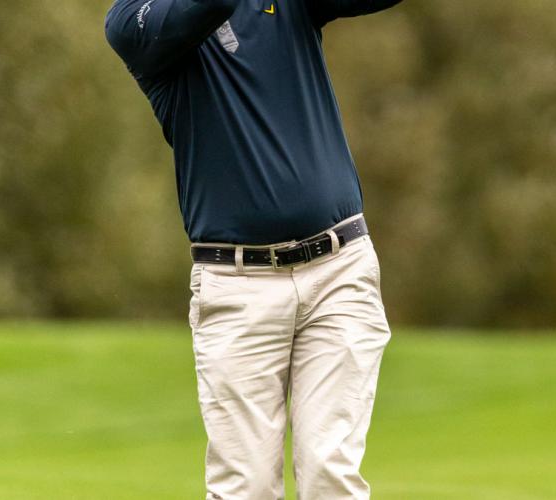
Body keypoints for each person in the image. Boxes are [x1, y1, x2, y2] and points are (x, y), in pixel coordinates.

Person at [104, 0, 402, 497]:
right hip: (237, 288)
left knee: (330, 473)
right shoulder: (133, 21)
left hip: (339, 271)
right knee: (245, 487)